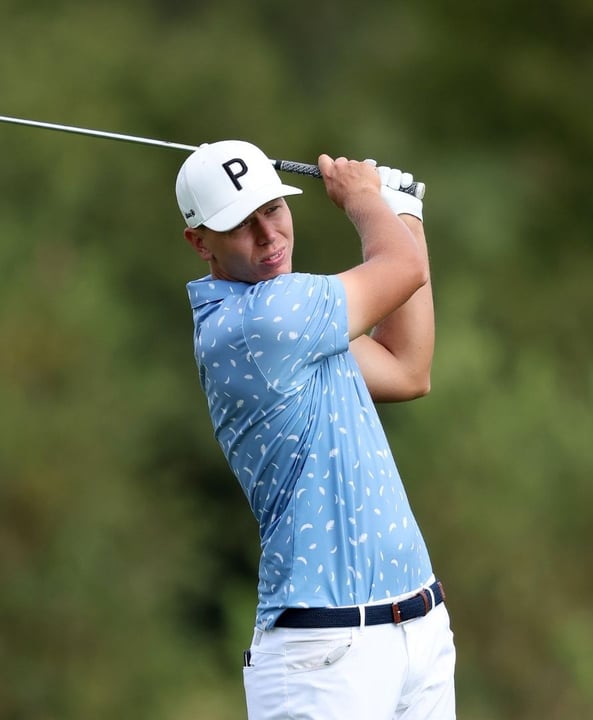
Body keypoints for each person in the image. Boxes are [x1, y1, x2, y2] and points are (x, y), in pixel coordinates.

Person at [177, 140, 455, 719]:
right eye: (240, 225)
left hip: (418, 626)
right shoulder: (265, 321)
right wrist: (364, 201)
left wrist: (405, 213)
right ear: (200, 241)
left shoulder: (297, 321)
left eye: (273, 209)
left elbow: (409, 367)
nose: (268, 235)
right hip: (325, 655)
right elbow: (402, 269)